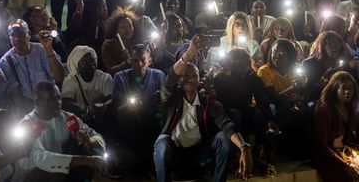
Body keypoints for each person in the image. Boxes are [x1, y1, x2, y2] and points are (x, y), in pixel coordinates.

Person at [154, 34, 253, 182]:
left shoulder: (206, 101)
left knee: (223, 138)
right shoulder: (171, 98)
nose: (190, 79)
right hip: (175, 155)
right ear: (179, 80)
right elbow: (170, 79)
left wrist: (243, 146)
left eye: (194, 75)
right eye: (185, 75)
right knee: (162, 141)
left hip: (199, 155)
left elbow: (225, 123)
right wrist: (190, 52)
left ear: (199, 79)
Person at [13, 81, 107, 182]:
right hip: (30, 176)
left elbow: (98, 137)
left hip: (57, 174)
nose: (58, 103)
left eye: (58, 98)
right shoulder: (26, 124)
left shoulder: (67, 117)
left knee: (84, 152)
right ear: (37, 102)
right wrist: (89, 160)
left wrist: (90, 141)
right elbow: (41, 159)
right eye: (51, 100)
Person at [212, 48, 278, 176]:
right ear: (232, 64)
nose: (244, 68)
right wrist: (228, 74)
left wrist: (270, 119)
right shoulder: (221, 77)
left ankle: (270, 161)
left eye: (246, 64)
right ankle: (237, 159)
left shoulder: (251, 77)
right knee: (235, 113)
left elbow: (261, 100)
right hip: (227, 116)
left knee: (262, 116)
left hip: (246, 112)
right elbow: (221, 102)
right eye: (240, 65)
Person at [112, 44, 165, 175]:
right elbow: (115, 106)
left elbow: (164, 102)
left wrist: (159, 103)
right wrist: (128, 106)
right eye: (135, 60)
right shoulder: (120, 77)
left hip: (152, 122)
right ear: (130, 60)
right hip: (129, 124)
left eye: (143, 61)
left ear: (150, 61)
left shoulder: (158, 76)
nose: (140, 64)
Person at [0, 19, 64, 116]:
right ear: (9, 38)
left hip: (51, 105)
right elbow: (15, 96)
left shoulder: (42, 50)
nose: (18, 39)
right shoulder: (6, 62)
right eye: (13, 36)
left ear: (29, 34)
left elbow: (59, 77)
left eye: (22, 35)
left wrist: (49, 48)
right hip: (26, 111)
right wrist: (38, 111)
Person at [257, 39, 310, 159]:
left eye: (282, 53)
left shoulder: (296, 69)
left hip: (290, 103)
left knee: (305, 111)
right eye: (275, 52)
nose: (277, 56)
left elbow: (303, 93)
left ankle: (301, 150)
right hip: (270, 106)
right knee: (284, 110)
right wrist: (292, 89)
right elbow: (272, 98)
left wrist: (301, 94)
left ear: (290, 55)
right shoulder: (265, 71)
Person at [314, 71, 359, 182]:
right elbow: (321, 145)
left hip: (346, 151)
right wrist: (345, 164)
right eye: (344, 88)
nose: (347, 92)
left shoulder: (350, 109)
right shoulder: (324, 110)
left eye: (351, 89)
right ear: (335, 88)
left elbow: (353, 139)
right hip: (328, 156)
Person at [61, 45, 112, 126]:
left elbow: (111, 99)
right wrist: (87, 109)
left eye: (91, 61)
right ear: (76, 65)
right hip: (80, 123)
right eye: (84, 62)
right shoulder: (70, 81)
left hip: (103, 119)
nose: (89, 64)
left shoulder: (105, 77)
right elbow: (67, 103)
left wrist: (103, 107)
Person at [302, 31, 354, 102]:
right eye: (331, 43)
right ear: (323, 44)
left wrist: (350, 68)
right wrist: (325, 78)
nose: (334, 47)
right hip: (316, 104)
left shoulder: (341, 64)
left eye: (338, 43)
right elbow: (309, 94)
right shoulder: (309, 64)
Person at [101, 9, 137, 75]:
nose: (128, 29)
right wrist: (125, 64)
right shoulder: (108, 45)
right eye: (123, 27)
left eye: (130, 26)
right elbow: (110, 71)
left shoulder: (137, 42)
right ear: (116, 30)